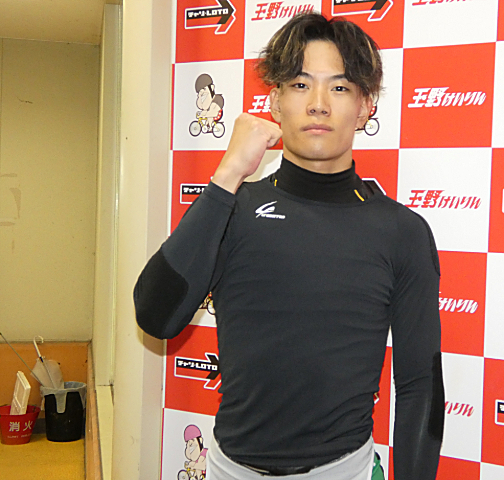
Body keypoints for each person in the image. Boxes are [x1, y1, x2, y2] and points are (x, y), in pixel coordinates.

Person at [134, 12, 444, 480]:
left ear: (365, 106)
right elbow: (155, 318)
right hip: (227, 469)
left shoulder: (402, 232)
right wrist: (227, 176)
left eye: (339, 87)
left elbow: (420, 385)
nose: (318, 104)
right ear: (275, 102)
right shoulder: (232, 208)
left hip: (344, 471)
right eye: (300, 85)